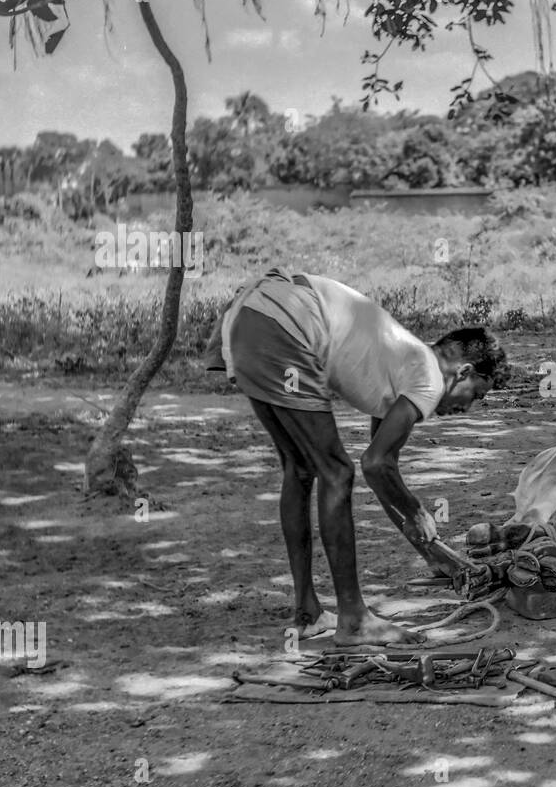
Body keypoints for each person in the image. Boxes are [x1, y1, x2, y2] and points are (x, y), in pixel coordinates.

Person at [205, 269, 508, 644]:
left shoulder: (402, 358)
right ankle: (354, 620)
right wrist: (416, 510)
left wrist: (433, 553)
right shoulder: (429, 378)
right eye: (476, 395)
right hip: (286, 323)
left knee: (301, 469)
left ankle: (308, 613)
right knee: (336, 472)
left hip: (249, 320)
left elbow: (382, 472)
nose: (468, 408)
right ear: (463, 372)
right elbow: (375, 464)